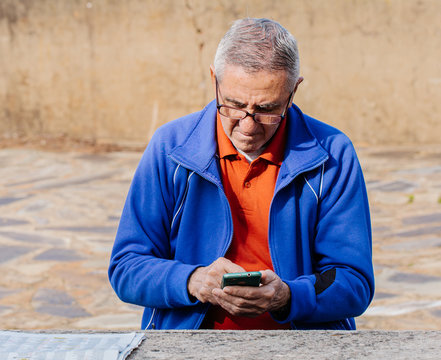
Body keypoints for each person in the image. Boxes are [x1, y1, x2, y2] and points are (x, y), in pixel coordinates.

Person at [108, 18, 374, 330]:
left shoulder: (333, 155)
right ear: (213, 80)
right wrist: (193, 280)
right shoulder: (169, 149)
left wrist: (287, 296)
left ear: (294, 91)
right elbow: (126, 268)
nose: (248, 126)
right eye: (232, 105)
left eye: (267, 109)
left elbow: (354, 283)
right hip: (188, 345)